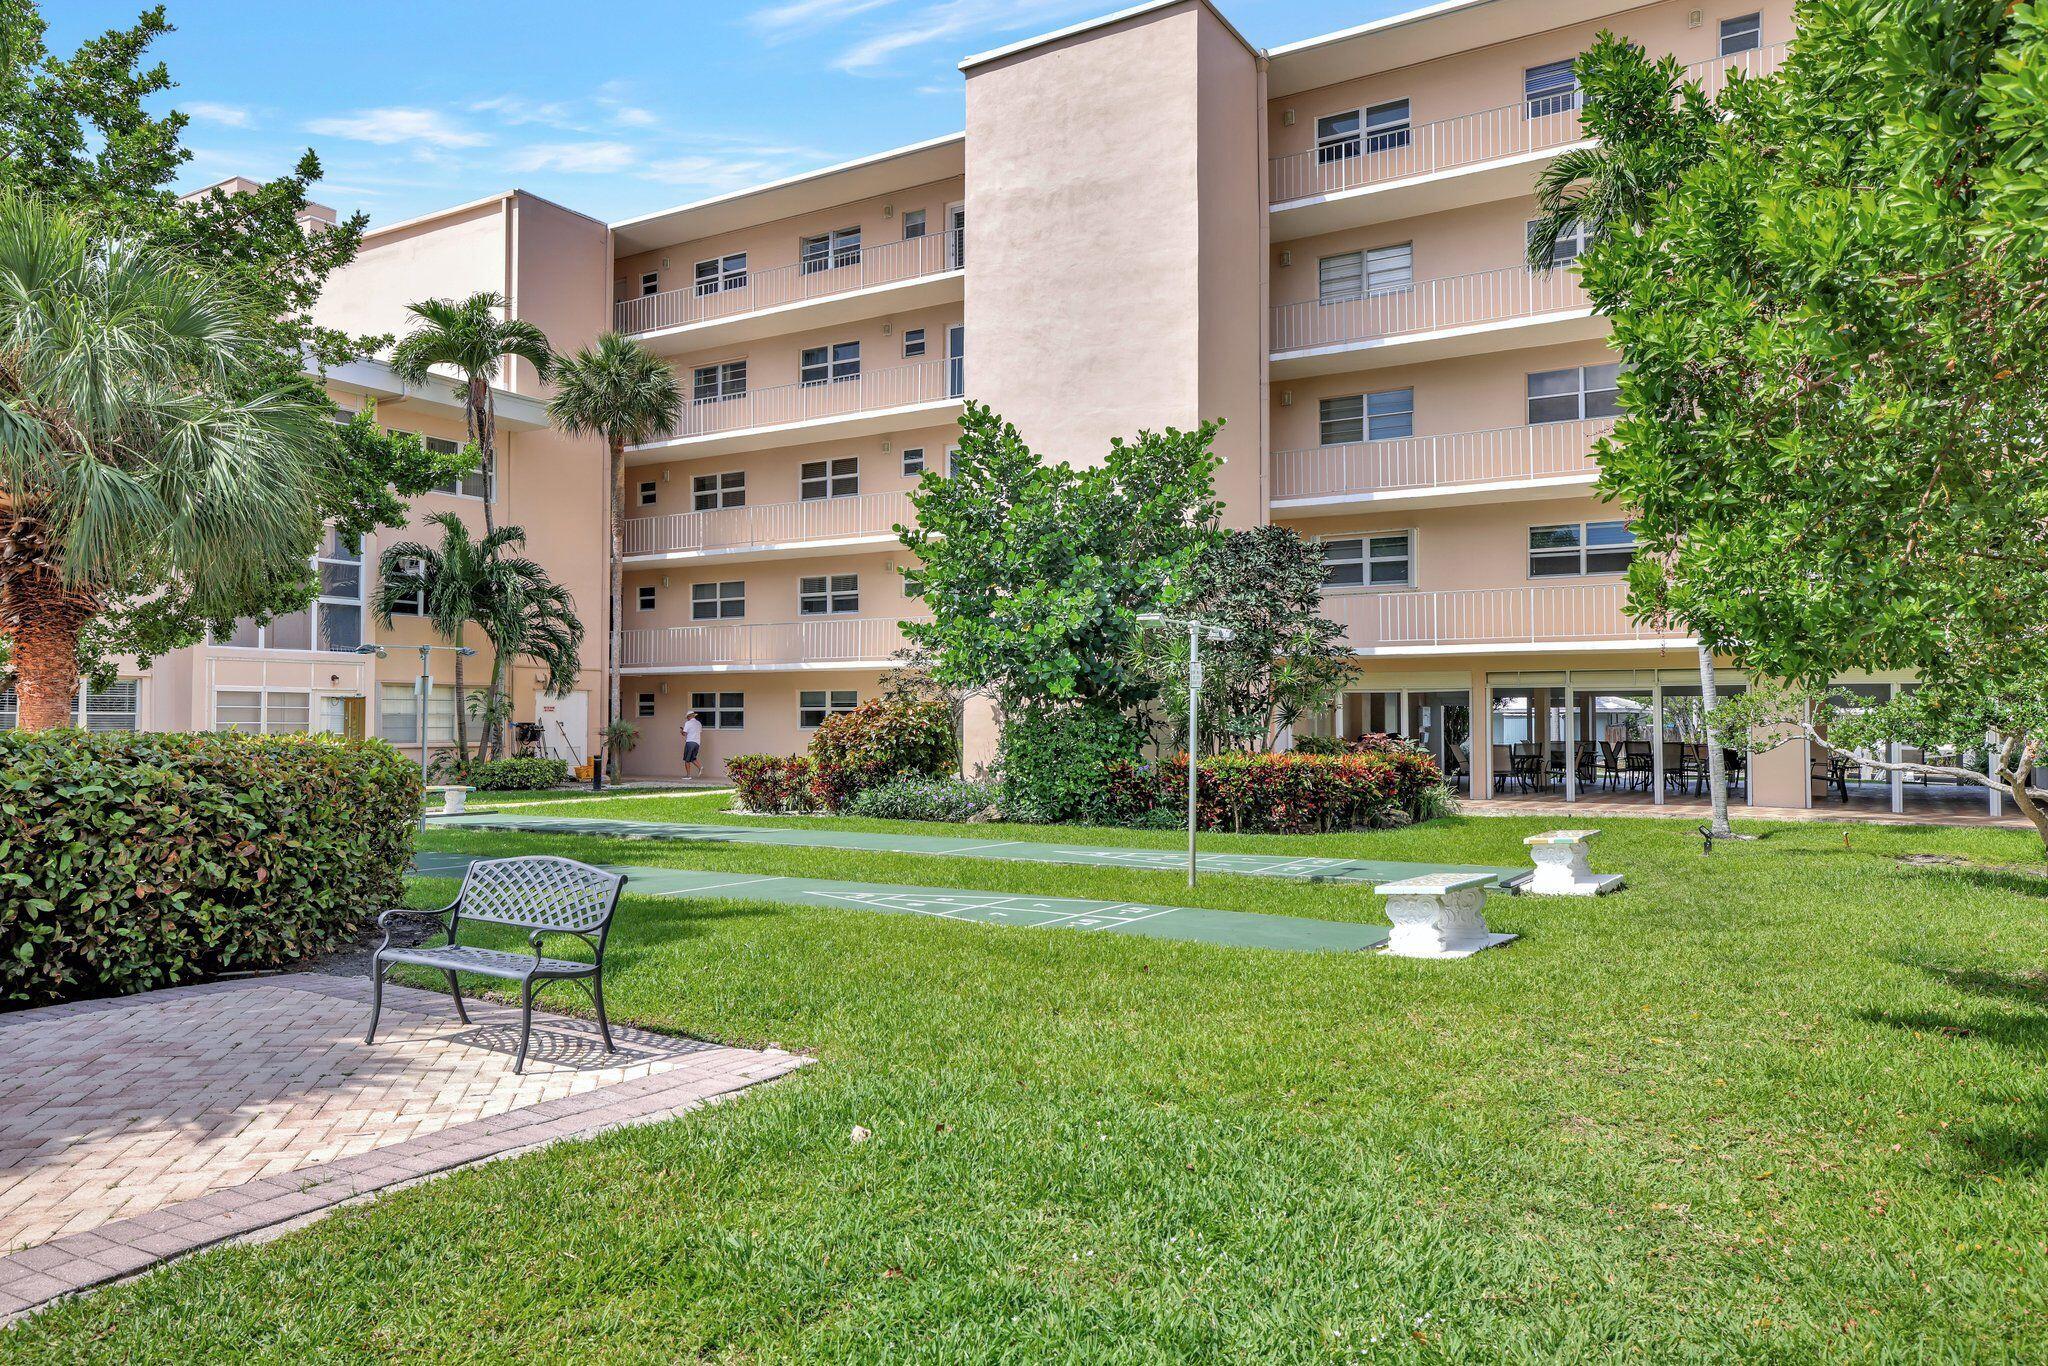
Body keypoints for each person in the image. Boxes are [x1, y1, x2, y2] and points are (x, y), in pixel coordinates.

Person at [681, 710, 704, 780]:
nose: (687, 718)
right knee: (692, 758)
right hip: (697, 743)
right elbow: (699, 732)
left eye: (687, 717)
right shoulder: (699, 723)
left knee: (686, 759)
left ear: (689, 716)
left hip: (690, 742)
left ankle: (688, 776)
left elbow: (685, 733)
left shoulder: (688, 723)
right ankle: (700, 767)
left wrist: (682, 731)